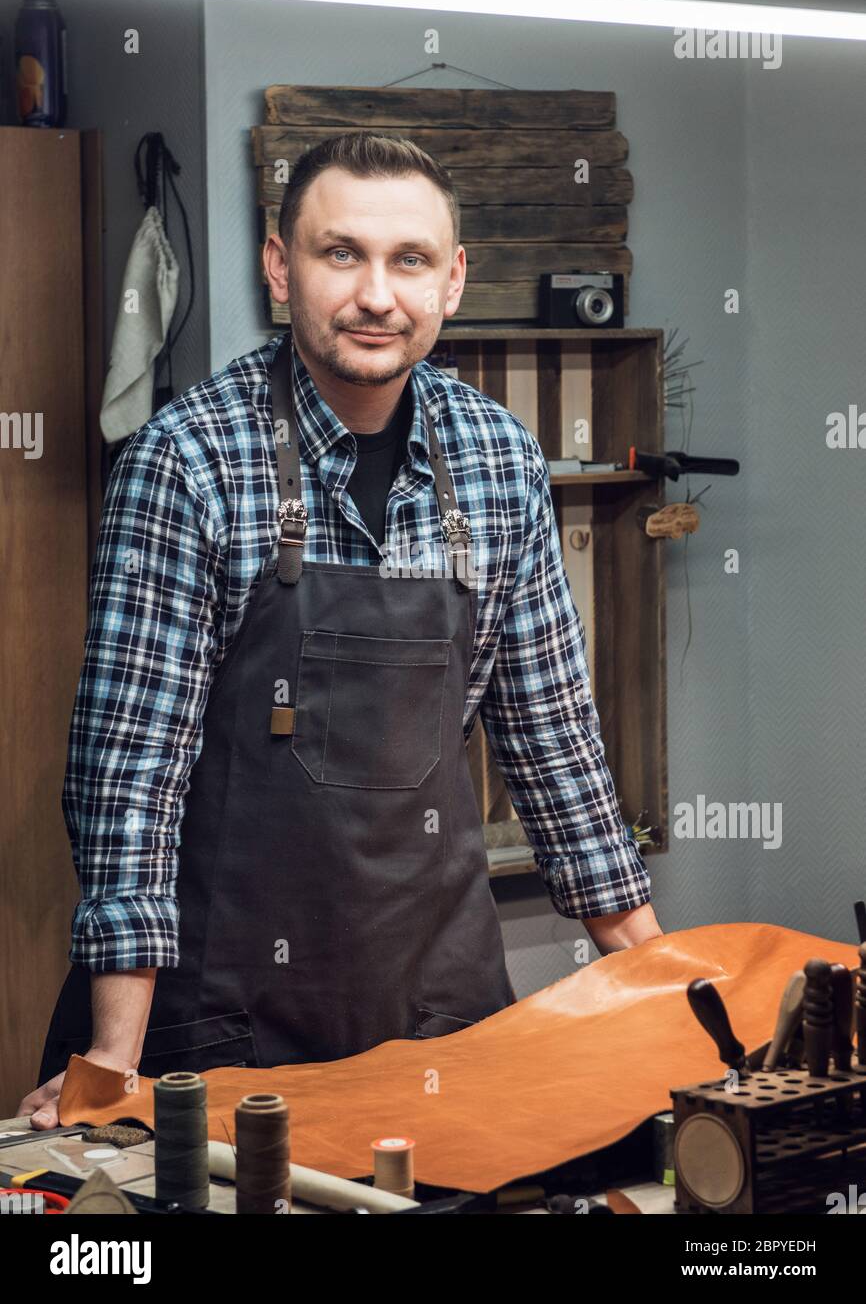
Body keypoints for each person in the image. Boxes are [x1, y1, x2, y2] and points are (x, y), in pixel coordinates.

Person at [21, 132, 662, 1130]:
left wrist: (661, 987)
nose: (376, 294)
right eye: (340, 254)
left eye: (408, 260)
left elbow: (555, 742)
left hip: (438, 1006)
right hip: (222, 1017)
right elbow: (129, 775)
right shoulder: (187, 460)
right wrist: (112, 1053)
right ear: (280, 269)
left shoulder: (498, 460)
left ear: (451, 280)